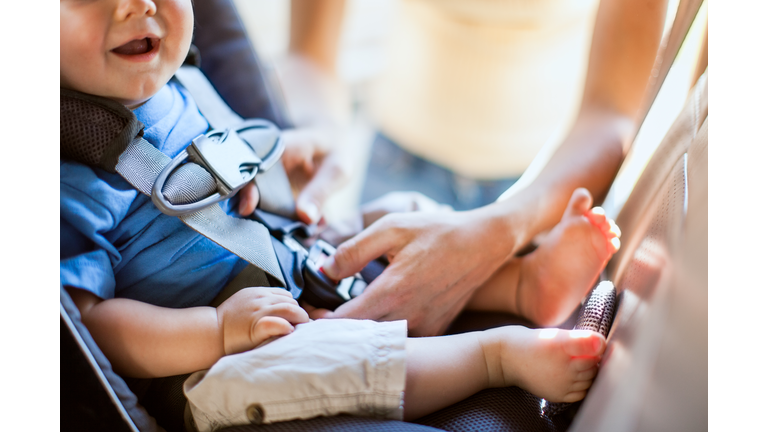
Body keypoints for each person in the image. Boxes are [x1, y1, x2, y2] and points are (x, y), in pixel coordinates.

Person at [59, 0, 618, 427]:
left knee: (396, 217)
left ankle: (524, 283)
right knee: (321, 356)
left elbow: (234, 153)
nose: (138, 6)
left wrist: (281, 152)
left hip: (285, 256)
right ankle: (493, 357)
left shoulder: (183, 85)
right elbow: (92, 328)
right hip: (207, 362)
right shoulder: (64, 175)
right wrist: (217, 332)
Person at [287, 0, 667, 336]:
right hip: (398, 170)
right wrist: (318, 130)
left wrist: (503, 226)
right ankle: (526, 283)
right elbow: (309, 55)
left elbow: (612, 114)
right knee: (363, 299)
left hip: (548, 194)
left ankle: (527, 282)